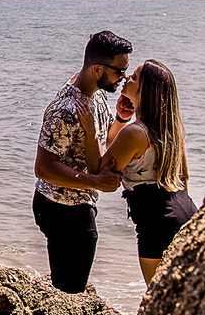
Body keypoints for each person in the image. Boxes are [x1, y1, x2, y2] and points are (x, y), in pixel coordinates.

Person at [78, 59, 197, 284]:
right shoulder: (170, 129)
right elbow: (184, 177)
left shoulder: (135, 133)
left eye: (133, 77)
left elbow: (98, 170)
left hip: (157, 224)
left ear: (145, 90)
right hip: (187, 212)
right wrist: (121, 119)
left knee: (159, 299)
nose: (125, 79)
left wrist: (90, 129)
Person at [33, 30, 132, 294]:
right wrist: (95, 182)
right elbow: (43, 168)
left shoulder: (97, 94)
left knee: (67, 288)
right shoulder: (66, 110)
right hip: (61, 208)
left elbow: (102, 141)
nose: (122, 79)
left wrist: (121, 120)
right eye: (119, 72)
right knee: (70, 291)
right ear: (97, 68)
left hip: (77, 204)